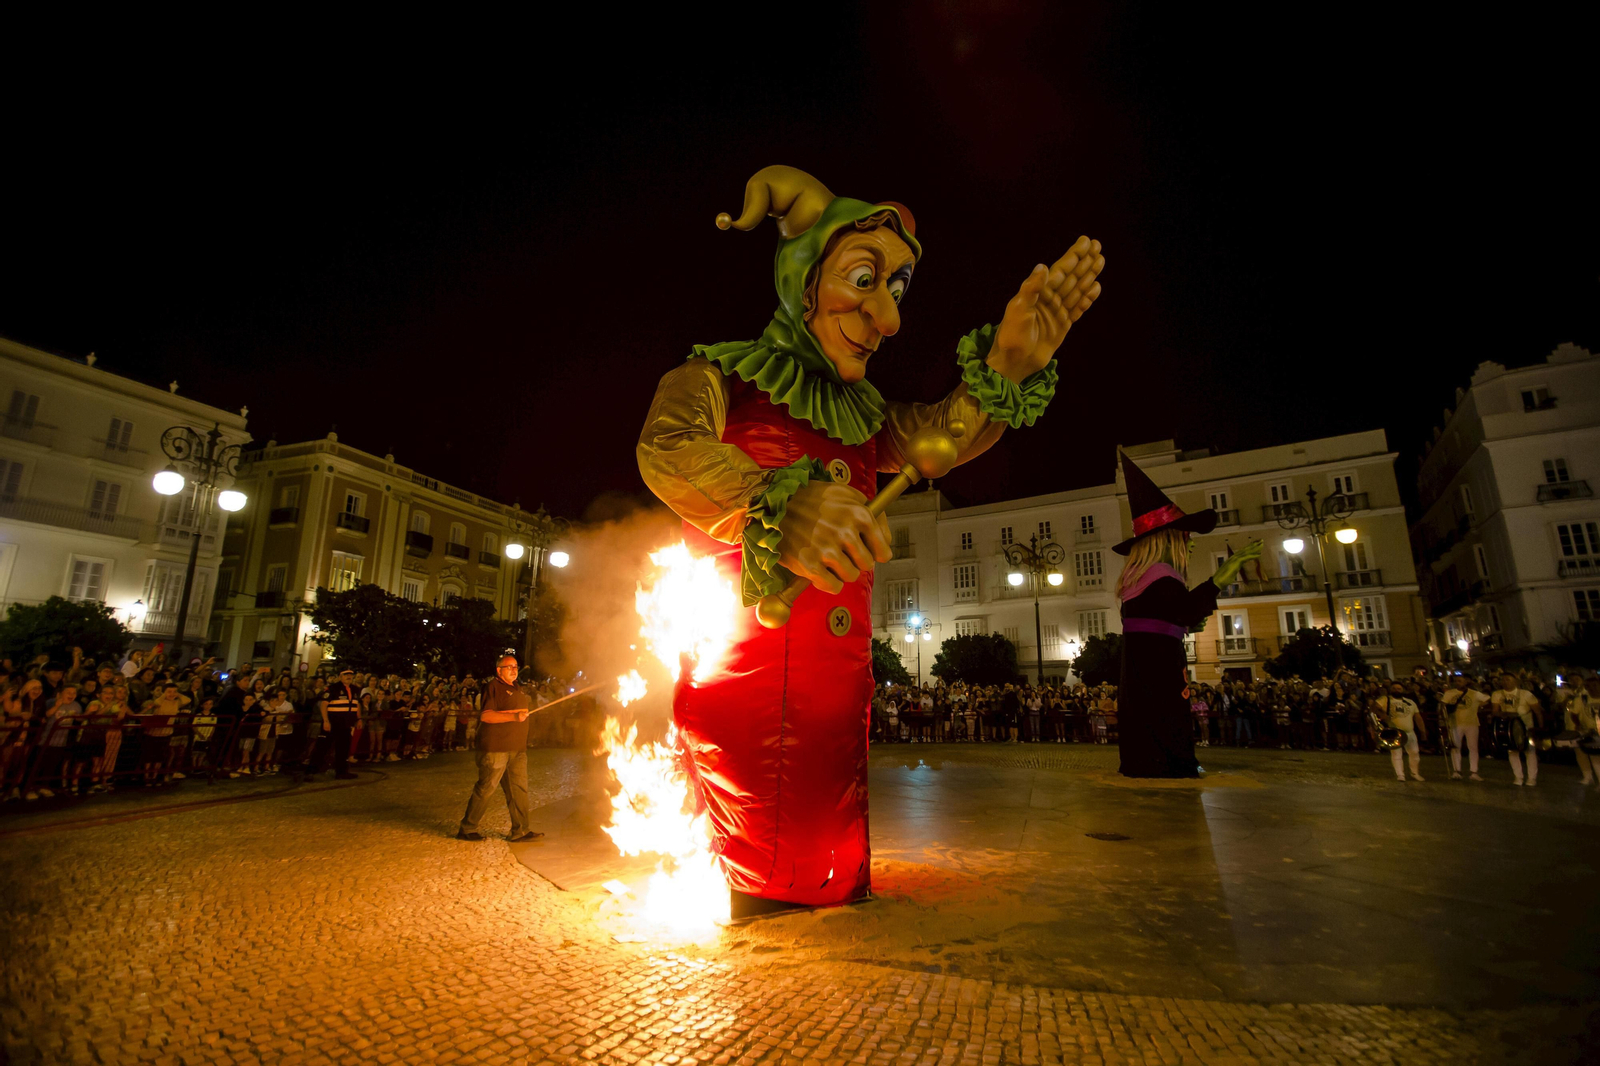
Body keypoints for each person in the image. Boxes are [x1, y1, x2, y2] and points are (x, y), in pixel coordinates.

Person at [637, 164, 1101, 911]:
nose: (888, 320)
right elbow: (667, 449)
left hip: (837, 704)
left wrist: (1006, 367)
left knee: (831, 850)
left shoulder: (864, 414)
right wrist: (772, 504)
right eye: (863, 280)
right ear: (803, 281)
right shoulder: (715, 377)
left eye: (897, 291)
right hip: (743, 696)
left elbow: (943, 434)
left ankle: (826, 885)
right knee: (761, 858)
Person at [1111, 452, 1261, 777]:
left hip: (1143, 665)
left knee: (1145, 714)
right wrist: (1223, 575)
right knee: (1166, 712)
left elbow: (1165, 619)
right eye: (1186, 536)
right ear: (1169, 539)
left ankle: (1150, 760)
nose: (1191, 543)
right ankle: (1171, 762)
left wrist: (1184, 624)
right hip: (1161, 665)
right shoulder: (1162, 576)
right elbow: (1183, 610)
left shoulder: (1138, 579)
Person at [457, 654, 542, 842]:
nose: (514, 670)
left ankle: (520, 830)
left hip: (517, 749)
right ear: (499, 670)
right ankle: (467, 828)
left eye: (516, 666)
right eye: (509, 667)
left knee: (518, 790)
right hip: (496, 749)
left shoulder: (516, 688)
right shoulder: (492, 687)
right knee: (486, 788)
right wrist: (514, 716)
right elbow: (486, 716)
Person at [1491, 673, 1543, 786]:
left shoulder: (1526, 694)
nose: (1505, 682)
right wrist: (1503, 714)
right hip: (1509, 726)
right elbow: (1495, 711)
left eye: (1508, 679)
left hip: (1526, 725)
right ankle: (1518, 777)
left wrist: (1539, 728)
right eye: (1503, 680)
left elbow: (1537, 711)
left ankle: (1532, 778)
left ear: (1515, 681)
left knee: (1530, 751)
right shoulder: (1497, 694)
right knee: (1512, 751)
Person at [1375, 681, 1426, 782]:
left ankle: (1415, 773)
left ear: (1403, 690)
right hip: (1394, 732)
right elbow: (1374, 707)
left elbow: (1418, 718)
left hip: (1409, 732)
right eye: (1394, 688)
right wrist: (1382, 714)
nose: (1396, 690)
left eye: (1399, 689)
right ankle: (1400, 775)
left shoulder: (1410, 702)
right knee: (1396, 754)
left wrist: (1423, 732)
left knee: (1414, 753)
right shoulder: (1385, 699)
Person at [320, 668, 362, 779]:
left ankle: (341, 771)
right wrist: (326, 720)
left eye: (350, 675)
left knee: (343, 748)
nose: (348, 677)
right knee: (323, 746)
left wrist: (358, 718)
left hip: (346, 724)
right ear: (340, 676)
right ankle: (311, 771)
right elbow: (324, 704)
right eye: (345, 675)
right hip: (333, 722)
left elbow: (356, 704)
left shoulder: (355, 689)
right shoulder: (333, 688)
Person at [1444, 677, 1489, 781]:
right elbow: (1444, 705)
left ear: (1466, 682)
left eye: (1460, 681)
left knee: (1473, 747)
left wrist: (1478, 706)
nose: (1457, 682)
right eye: (1456, 681)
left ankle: (1474, 771)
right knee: (1455, 747)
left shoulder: (1474, 693)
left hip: (1471, 723)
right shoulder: (1450, 693)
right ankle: (1456, 771)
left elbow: (1487, 699)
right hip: (1455, 723)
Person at [1564, 676, 1600, 787]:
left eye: (1595, 685)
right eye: (1588, 686)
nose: (1592, 688)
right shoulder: (1581, 699)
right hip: (1589, 732)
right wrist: (1578, 725)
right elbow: (1574, 714)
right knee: (1592, 755)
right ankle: (1590, 777)